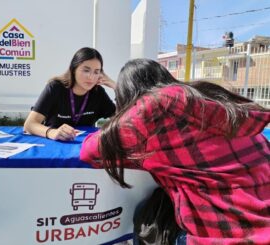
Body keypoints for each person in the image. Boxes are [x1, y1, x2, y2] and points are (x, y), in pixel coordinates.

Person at [80, 59, 270, 244]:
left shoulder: (153, 109)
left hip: (228, 236)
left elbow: (90, 150)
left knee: (146, 218)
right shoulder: (208, 97)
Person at [24, 47, 116, 141]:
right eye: (86, 70)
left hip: (84, 146)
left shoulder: (98, 92)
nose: (91, 77)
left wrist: (116, 87)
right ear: (74, 69)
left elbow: (122, 120)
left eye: (96, 72)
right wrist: (52, 132)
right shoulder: (55, 87)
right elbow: (29, 124)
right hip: (54, 145)